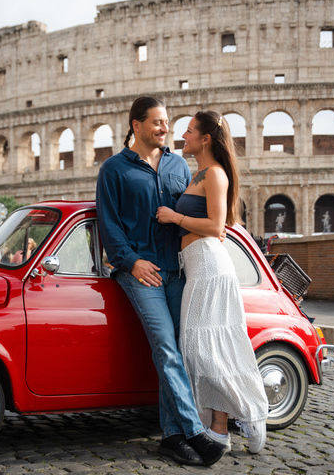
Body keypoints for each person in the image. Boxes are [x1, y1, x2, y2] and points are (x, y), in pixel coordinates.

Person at [96, 97, 228, 466]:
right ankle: (195, 432)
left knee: (179, 352)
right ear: (136, 125)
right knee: (166, 349)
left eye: (167, 122)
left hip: (178, 270)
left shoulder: (178, 165)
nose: (164, 128)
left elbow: (193, 213)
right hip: (141, 273)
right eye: (156, 122)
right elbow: (109, 226)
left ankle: (171, 436)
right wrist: (132, 262)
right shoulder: (114, 170)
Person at [156, 111, 269, 454]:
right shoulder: (196, 175)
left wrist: (174, 216)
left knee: (205, 349)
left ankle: (250, 412)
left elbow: (218, 227)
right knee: (200, 349)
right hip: (195, 268)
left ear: (205, 138)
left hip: (210, 266)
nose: (183, 136)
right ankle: (219, 425)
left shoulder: (216, 174)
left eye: (189, 131)